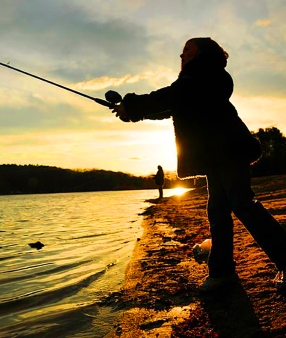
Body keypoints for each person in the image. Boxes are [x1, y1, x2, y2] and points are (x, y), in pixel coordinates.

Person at [110, 37, 286, 291]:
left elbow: (174, 97)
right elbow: (174, 105)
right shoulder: (194, 81)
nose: (181, 56)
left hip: (229, 150)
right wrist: (132, 112)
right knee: (218, 211)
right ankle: (222, 272)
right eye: (181, 52)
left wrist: (133, 105)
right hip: (216, 156)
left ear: (203, 53)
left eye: (187, 50)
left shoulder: (208, 74)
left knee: (242, 204)